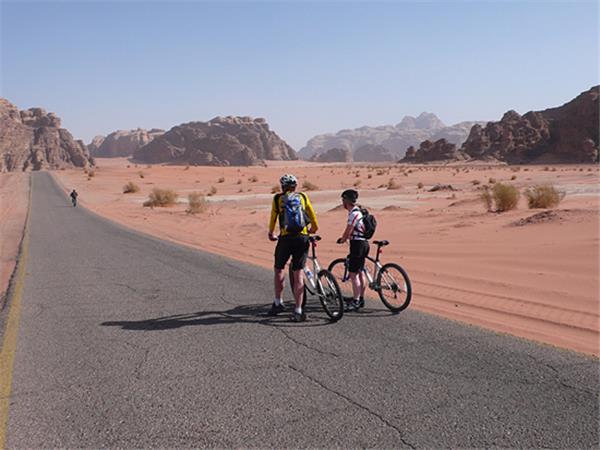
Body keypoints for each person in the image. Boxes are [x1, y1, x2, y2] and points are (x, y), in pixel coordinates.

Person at [268, 174, 318, 322]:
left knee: (279, 269)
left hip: (285, 239)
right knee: (298, 274)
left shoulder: (278, 199)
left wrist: (271, 233)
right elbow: (312, 216)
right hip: (302, 238)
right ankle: (298, 310)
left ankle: (278, 303)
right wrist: (313, 229)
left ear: (283, 187)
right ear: (295, 186)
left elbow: (273, 217)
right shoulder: (303, 197)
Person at [336, 189, 369, 311]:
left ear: (346, 201)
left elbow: (348, 229)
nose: (342, 202)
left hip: (357, 244)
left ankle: (355, 301)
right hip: (364, 243)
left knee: (353, 274)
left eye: (343, 200)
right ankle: (360, 298)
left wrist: (343, 239)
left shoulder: (353, 214)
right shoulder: (359, 211)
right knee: (361, 272)